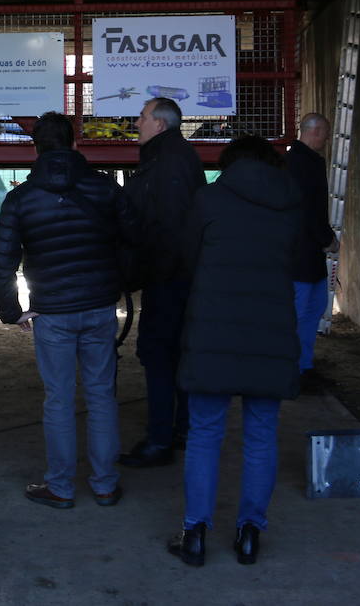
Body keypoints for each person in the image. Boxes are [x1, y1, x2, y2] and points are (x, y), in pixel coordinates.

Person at [0, 111, 139, 509]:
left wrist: (12, 311)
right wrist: (120, 282)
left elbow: (2, 261)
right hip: (99, 308)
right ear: (75, 144)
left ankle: (60, 486)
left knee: (58, 399)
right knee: (102, 396)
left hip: (51, 312)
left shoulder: (20, 198)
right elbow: (135, 239)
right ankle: (105, 485)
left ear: (35, 148)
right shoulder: (104, 189)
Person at [167, 136, 302, 567]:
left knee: (205, 434)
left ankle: (195, 535)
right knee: (261, 436)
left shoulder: (208, 200)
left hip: (214, 335)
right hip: (271, 333)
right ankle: (249, 535)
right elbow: (298, 263)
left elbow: (186, 263)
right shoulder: (289, 202)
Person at [121, 96, 205, 467]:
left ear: (160, 124)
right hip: (177, 278)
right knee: (177, 354)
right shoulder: (171, 158)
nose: (136, 123)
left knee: (159, 355)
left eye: (141, 117)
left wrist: (146, 276)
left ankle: (160, 440)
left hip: (170, 281)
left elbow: (167, 229)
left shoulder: (168, 163)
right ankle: (181, 430)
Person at [286, 113, 337, 390]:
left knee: (312, 308)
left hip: (307, 253)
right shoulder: (301, 163)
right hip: (302, 253)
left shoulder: (299, 160)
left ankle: (303, 366)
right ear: (315, 132)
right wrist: (326, 238)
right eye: (326, 134)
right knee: (302, 311)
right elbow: (306, 209)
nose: (328, 139)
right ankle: (294, 369)